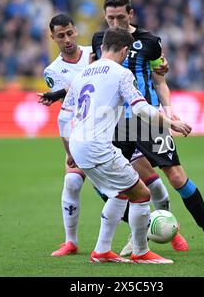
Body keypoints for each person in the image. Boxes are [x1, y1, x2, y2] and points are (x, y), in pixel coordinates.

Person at [91, 0, 204, 256]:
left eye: (121, 17)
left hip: (147, 120)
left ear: (130, 14)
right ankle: (139, 235)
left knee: (177, 176)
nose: (116, 23)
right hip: (115, 124)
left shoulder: (150, 42)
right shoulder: (99, 40)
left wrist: (170, 112)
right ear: (104, 16)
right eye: (110, 18)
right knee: (113, 184)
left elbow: (160, 81)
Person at [38, 14, 181, 257]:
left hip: (78, 146)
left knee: (118, 193)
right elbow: (141, 108)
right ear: (125, 51)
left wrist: (69, 152)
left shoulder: (83, 75)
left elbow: (63, 118)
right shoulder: (121, 73)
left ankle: (102, 250)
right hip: (98, 146)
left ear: (101, 47)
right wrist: (169, 122)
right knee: (142, 194)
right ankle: (141, 252)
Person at [38, 14, 93, 256]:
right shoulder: (52, 71)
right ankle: (70, 241)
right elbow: (70, 99)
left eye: (70, 33)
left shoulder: (95, 53)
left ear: (76, 31)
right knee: (71, 181)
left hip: (111, 126)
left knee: (138, 184)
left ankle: (161, 227)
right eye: (60, 35)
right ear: (53, 38)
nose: (67, 39)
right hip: (80, 130)